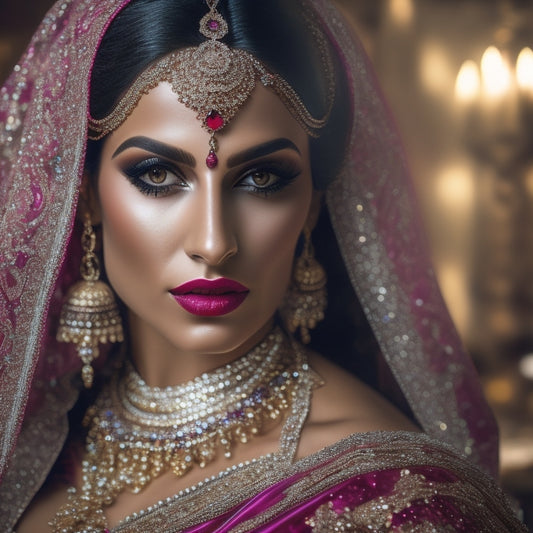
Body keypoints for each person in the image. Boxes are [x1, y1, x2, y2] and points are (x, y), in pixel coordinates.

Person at [0, 0, 527, 531]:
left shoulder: (394, 504)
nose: (214, 242)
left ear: (312, 208)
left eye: (262, 180)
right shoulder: (39, 434)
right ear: (85, 196)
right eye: (158, 176)